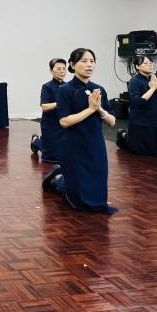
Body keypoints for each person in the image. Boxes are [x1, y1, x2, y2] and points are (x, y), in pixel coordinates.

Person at [42, 48, 118, 214]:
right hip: (73, 145)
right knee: (78, 198)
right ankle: (56, 180)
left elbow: (112, 121)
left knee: (97, 184)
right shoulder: (65, 90)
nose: (89, 65)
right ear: (73, 65)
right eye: (84, 61)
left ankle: (60, 177)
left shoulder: (99, 90)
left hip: (95, 142)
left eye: (92, 61)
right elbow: (64, 121)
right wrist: (91, 109)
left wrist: (100, 110)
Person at [116, 56, 157, 158]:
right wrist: (152, 89)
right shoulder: (134, 81)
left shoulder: (156, 80)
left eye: (151, 62)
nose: (150, 65)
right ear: (137, 66)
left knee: (155, 152)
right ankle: (123, 136)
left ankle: (126, 136)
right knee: (140, 152)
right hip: (140, 123)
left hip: (156, 122)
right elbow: (138, 101)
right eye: (146, 63)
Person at [30, 58, 67, 163]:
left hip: (64, 123)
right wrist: (59, 103)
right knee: (51, 156)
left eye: (64, 69)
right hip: (50, 123)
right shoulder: (47, 87)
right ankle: (36, 141)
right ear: (51, 71)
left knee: (64, 155)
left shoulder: (68, 86)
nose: (61, 71)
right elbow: (44, 106)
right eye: (58, 68)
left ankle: (40, 141)